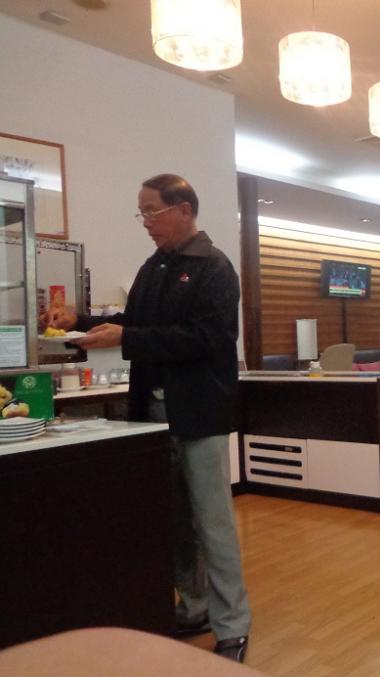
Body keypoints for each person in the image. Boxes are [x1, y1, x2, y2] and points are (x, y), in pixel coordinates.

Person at [44, 174, 251, 663]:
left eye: (151, 211)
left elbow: (207, 338)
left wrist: (127, 338)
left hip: (198, 411)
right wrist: (80, 322)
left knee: (212, 522)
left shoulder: (214, 266)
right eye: (141, 213)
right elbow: (134, 325)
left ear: (183, 209)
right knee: (174, 519)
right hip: (152, 413)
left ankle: (233, 624)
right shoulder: (154, 266)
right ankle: (194, 607)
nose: (145, 222)